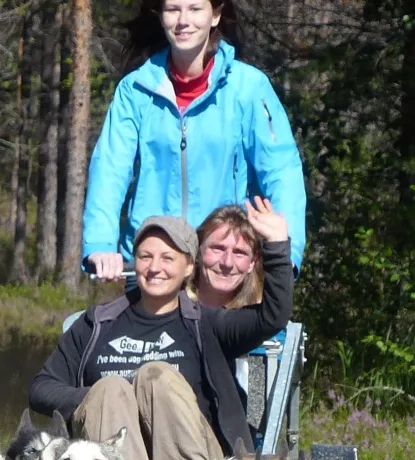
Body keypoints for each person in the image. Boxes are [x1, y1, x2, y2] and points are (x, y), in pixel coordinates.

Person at [28, 197, 293, 460]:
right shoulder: (97, 323)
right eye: (145, 256)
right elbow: (41, 388)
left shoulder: (206, 324)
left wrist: (277, 244)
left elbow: (272, 317)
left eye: (168, 258)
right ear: (135, 261)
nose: (155, 268)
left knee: (157, 376)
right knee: (110, 388)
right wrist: (102, 395)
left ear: (188, 268)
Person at [82, 0, 307, 284]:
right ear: (161, 17)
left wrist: (287, 252)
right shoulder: (134, 90)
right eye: (173, 9)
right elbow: (110, 169)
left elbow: (281, 170)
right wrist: (100, 244)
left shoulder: (249, 87)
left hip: (223, 266)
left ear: (215, 15)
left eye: (195, 9)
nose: (183, 20)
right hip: (155, 264)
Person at [189, 204, 264, 309]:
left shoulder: (263, 320)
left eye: (239, 252)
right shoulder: (168, 311)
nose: (227, 263)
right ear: (198, 251)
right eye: (218, 249)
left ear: (252, 262)